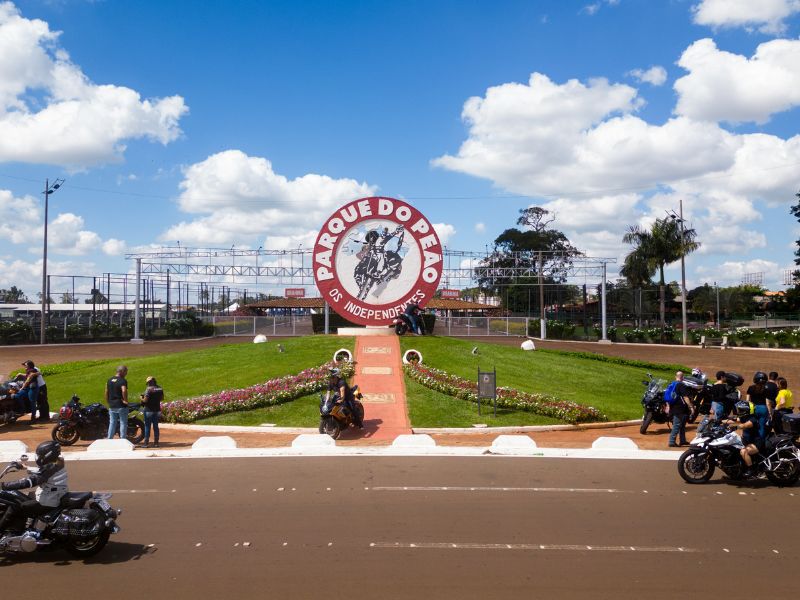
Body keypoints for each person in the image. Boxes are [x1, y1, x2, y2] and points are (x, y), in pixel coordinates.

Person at [0, 441, 68, 529]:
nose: (38, 457)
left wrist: (4, 485)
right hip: (51, 494)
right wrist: (25, 467)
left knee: (16, 506)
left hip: (48, 501)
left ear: (47, 455)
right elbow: (42, 472)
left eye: (40, 455)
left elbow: (30, 482)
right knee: (21, 497)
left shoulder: (51, 467)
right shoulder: (57, 462)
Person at [726, 400, 763, 478]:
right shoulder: (745, 417)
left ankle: (751, 470)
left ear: (745, 410)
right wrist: (719, 421)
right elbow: (734, 420)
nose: (738, 411)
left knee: (744, 451)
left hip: (755, 443)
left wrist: (736, 427)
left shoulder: (753, 419)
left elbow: (745, 425)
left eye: (740, 410)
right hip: (746, 442)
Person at [697, 371, 728, 435]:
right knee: (717, 421)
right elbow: (722, 398)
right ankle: (714, 435)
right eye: (725, 377)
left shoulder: (713, 385)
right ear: (722, 377)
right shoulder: (722, 386)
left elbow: (712, 397)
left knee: (714, 420)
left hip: (714, 404)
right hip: (719, 405)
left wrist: (711, 407)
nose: (726, 378)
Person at [665, 371, 691, 447]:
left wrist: (668, 406)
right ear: (682, 377)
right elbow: (685, 397)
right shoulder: (681, 385)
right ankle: (672, 441)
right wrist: (691, 406)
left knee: (682, 425)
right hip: (680, 408)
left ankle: (682, 440)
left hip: (673, 407)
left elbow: (667, 396)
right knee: (677, 425)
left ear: (675, 376)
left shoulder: (671, 384)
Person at [105, 365, 129, 440]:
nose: (126, 374)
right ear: (122, 371)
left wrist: (108, 401)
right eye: (126, 372)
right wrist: (125, 400)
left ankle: (110, 438)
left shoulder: (109, 380)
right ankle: (122, 439)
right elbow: (124, 390)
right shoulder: (122, 380)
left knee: (112, 423)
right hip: (121, 405)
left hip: (112, 405)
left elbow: (106, 391)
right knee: (123, 422)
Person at [745, 371, 770, 440]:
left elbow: (747, 400)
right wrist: (770, 412)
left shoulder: (751, 387)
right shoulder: (766, 389)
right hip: (763, 408)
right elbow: (767, 402)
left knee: (750, 424)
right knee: (761, 426)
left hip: (753, 407)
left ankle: (748, 440)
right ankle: (760, 442)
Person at [140, 376, 163, 448]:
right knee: (156, 426)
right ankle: (156, 443)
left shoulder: (148, 389)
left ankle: (146, 443)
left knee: (147, 427)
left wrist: (141, 398)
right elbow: (162, 398)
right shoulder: (160, 388)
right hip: (157, 410)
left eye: (148, 382)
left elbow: (145, 400)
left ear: (149, 382)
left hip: (148, 410)